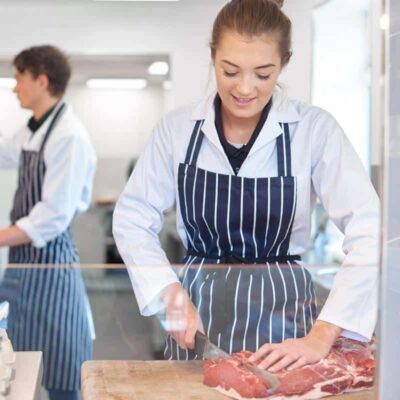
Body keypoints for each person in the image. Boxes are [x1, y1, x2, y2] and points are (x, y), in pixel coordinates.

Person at [113, 0, 379, 372]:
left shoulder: (315, 131)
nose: (244, 88)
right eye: (230, 70)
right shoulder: (176, 130)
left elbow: (371, 230)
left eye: (263, 74)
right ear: (213, 56)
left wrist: (323, 333)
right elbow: (132, 218)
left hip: (285, 326)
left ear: (284, 63)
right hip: (198, 321)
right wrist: (168, 293)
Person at [0, 45, 96, 400]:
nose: (14, 88)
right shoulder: (34, 129)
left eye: (18, 79)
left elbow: (51, 217)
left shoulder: (68, 136)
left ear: (41, 80)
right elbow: (4, 151)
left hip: (51, 263)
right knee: (15, 362)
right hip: (21, 265)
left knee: (60, 368)